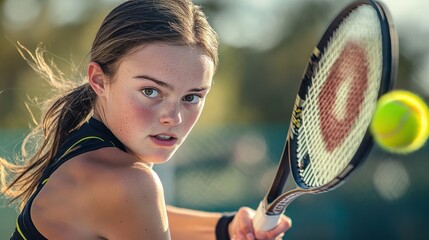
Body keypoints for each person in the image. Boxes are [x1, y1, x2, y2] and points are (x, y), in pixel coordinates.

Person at [0, 0, 292, 239]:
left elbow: (135, 214)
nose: (173, 117)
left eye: (192, 97)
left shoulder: (86, 149)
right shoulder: (131, 182)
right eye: (151, 91)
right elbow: (135, 203)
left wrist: (225, 228)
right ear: (98, 79)